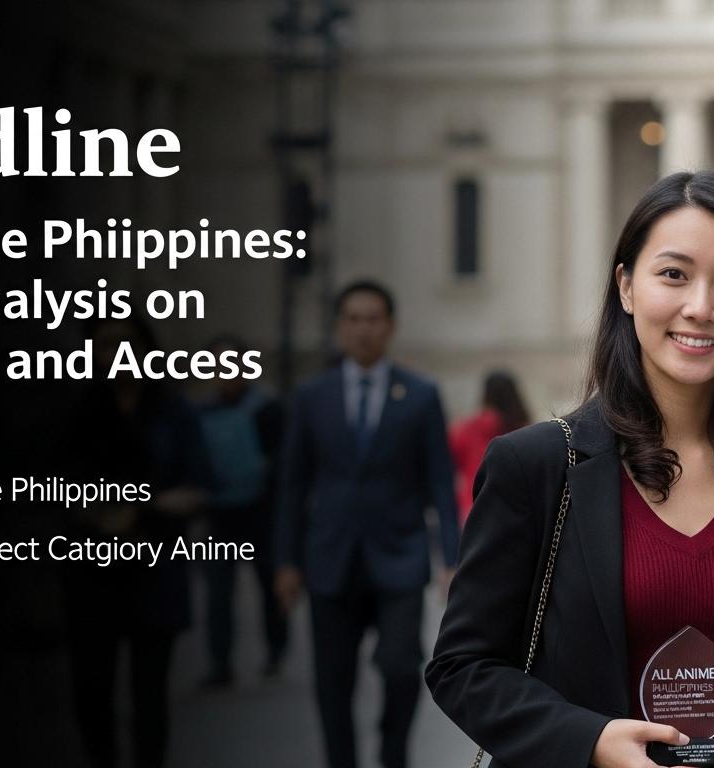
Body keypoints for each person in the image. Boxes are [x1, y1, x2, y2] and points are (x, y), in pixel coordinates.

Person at [427, 170, 714, 768]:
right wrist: (591, 742)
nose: (700, 307)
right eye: (673, 274)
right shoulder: (537, 466)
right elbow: (461, 665)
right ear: (626, 287)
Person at [274, 279, 461, 768]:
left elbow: (441, 483)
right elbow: (292, 484)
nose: (363, 330)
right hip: (331, 558)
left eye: (373, 319)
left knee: (401, 667)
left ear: (390, 326)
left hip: (399, 556)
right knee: (332, 681)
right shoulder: (312, 397)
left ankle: (392, 752)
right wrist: (286, 561)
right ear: (339, 326)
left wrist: (452, 558)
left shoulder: (419, 395)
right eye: (353, 320)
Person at [62, 316, 215, 768]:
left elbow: (201, 485)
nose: (117, 353)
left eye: (127, 342)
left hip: (155, 564)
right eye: (107, 343)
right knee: (91, 690)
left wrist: (144, 506)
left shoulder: (174, 411)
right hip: (89, 569)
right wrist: (96, 513)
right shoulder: (75, 411)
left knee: (150, 694)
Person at [196, 334, 289, 687]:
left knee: (269, 587)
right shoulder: (202, 411)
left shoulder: (268, 409)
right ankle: (220, 663)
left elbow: (285, 464)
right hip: (219, 515)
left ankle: (276, 651)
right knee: (218, 593)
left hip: (262, 515)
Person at [449, 370, 531, 526]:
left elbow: (450, 466)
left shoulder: (465, 428)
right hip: (515, 508)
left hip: (473, 505)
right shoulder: (526, 430)